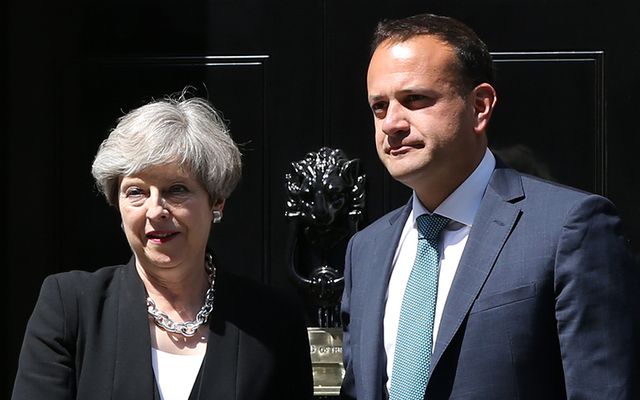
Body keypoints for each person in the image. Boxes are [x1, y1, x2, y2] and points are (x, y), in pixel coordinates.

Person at [340, 13, 640, 400]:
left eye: (415, 99)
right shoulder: (365, 249)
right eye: (379, 107)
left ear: (480, 106)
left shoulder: (569, 228)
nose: (392, 123)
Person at [12, 93, 314, 400]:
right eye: (136, 192)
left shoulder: (273, 320)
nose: (155, 210)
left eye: (176, 189)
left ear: (217, 202)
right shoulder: (70, 308)